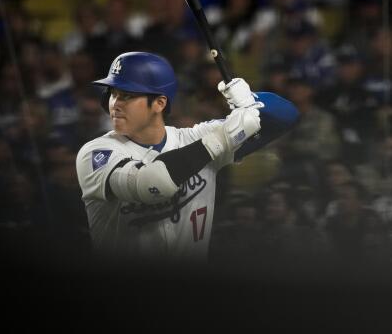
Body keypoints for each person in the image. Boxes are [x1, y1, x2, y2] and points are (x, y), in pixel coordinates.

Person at [75, 51, 299, 261]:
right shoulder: (96, 152)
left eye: (127, 95)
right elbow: (152, 184)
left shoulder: (194, 138)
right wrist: (221, 139)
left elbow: (287, 116)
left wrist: (250, 101)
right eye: (113, 94)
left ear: (160, 103)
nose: (115, 104)